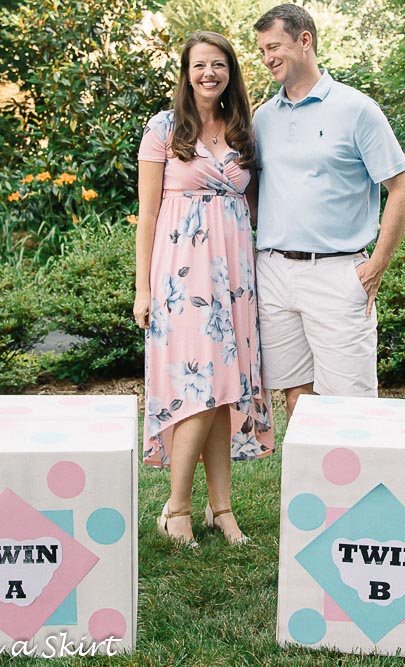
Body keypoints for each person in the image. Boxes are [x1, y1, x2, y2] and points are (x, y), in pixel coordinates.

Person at [134, 31, 273, 548]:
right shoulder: (164, 128)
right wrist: (142, 289)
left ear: (231, 72)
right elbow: (147, 216)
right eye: (199, 65)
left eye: (219, 64)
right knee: (199, 387)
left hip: (235, 279)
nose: (209, 73)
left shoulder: (244, 131)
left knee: (224, 391)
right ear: (185, 73)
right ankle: (177, 508)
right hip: (181, 276)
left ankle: (222, 509)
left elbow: (255, 207)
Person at [252, 4, 405, 418]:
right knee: (296, 395)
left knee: (351, 402)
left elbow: (403, 189)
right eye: (261, 51)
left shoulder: (356, 109)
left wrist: (377, 264)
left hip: (338, 273)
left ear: (304, 40)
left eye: (274, 46)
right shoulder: (262, 118)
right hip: (273, 273)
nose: (267, 57)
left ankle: (359, 482)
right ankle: (314, 484)